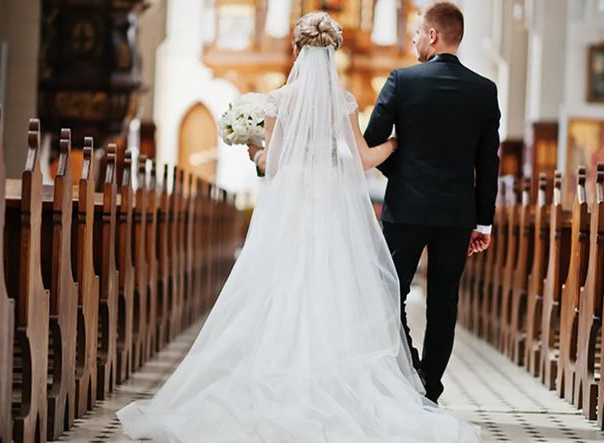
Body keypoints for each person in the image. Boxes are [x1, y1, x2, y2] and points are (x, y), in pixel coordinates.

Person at [117, 10, 481, 443]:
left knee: (283, 287)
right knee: (330, 287)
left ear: (295, 50)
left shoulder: (277, 100)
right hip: (330, 200)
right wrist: (398, 142)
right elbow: (364, 160)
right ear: (332, 52)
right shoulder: (343, 100)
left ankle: (276, 374)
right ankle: (345, 384)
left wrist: (253, 152)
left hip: (290, 201)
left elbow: (271, 162)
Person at [363, 0, 501, 403]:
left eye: (418, 32)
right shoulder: (484, 90)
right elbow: (487, 163)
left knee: (391, 293)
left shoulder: (402, 81)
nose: (414, 39)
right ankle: (430, 389)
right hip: (457, 215)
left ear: (434, 35)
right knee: (443, 301)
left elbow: (372, 142)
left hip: (406, 208)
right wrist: (483, 222)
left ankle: (409, 368)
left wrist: (403, 174)